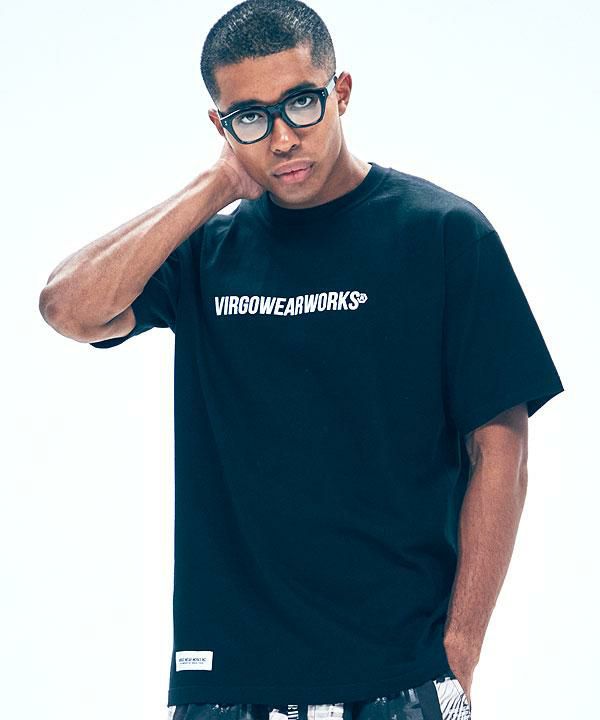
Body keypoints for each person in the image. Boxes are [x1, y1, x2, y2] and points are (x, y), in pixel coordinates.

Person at [38, 1, 565, 718]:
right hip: (227, 682)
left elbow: (501, 448)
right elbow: (67, 308)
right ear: (221, 127)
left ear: (341, 91)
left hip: (398, 675)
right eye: (251, 117)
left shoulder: (443, 235)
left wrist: (461, 652)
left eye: (302, 103)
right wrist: (217, 186)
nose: (283, 137)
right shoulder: (207, 253)